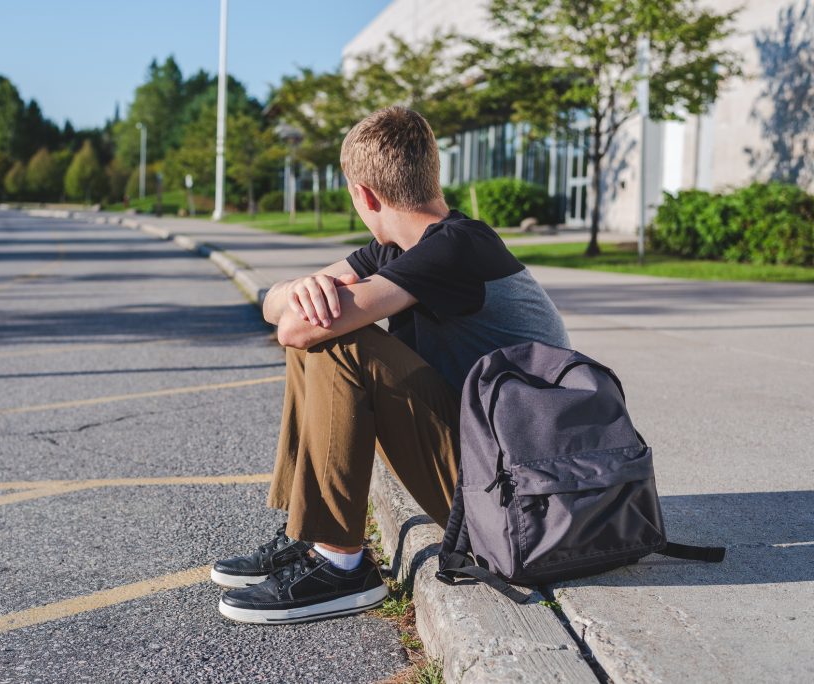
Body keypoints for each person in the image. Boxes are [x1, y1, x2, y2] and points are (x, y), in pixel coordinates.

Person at [211, 106, 570, 625]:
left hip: (519, 499)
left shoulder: (454, 249)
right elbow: (276, 306)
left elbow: (295, 328)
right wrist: (297, 288)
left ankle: (341, 565)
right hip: (498, 476)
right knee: (323, 325)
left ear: (365, 195)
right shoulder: (401, 249)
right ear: (432, 174)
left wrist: (303, 303)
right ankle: (307, 534)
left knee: (338, 341)